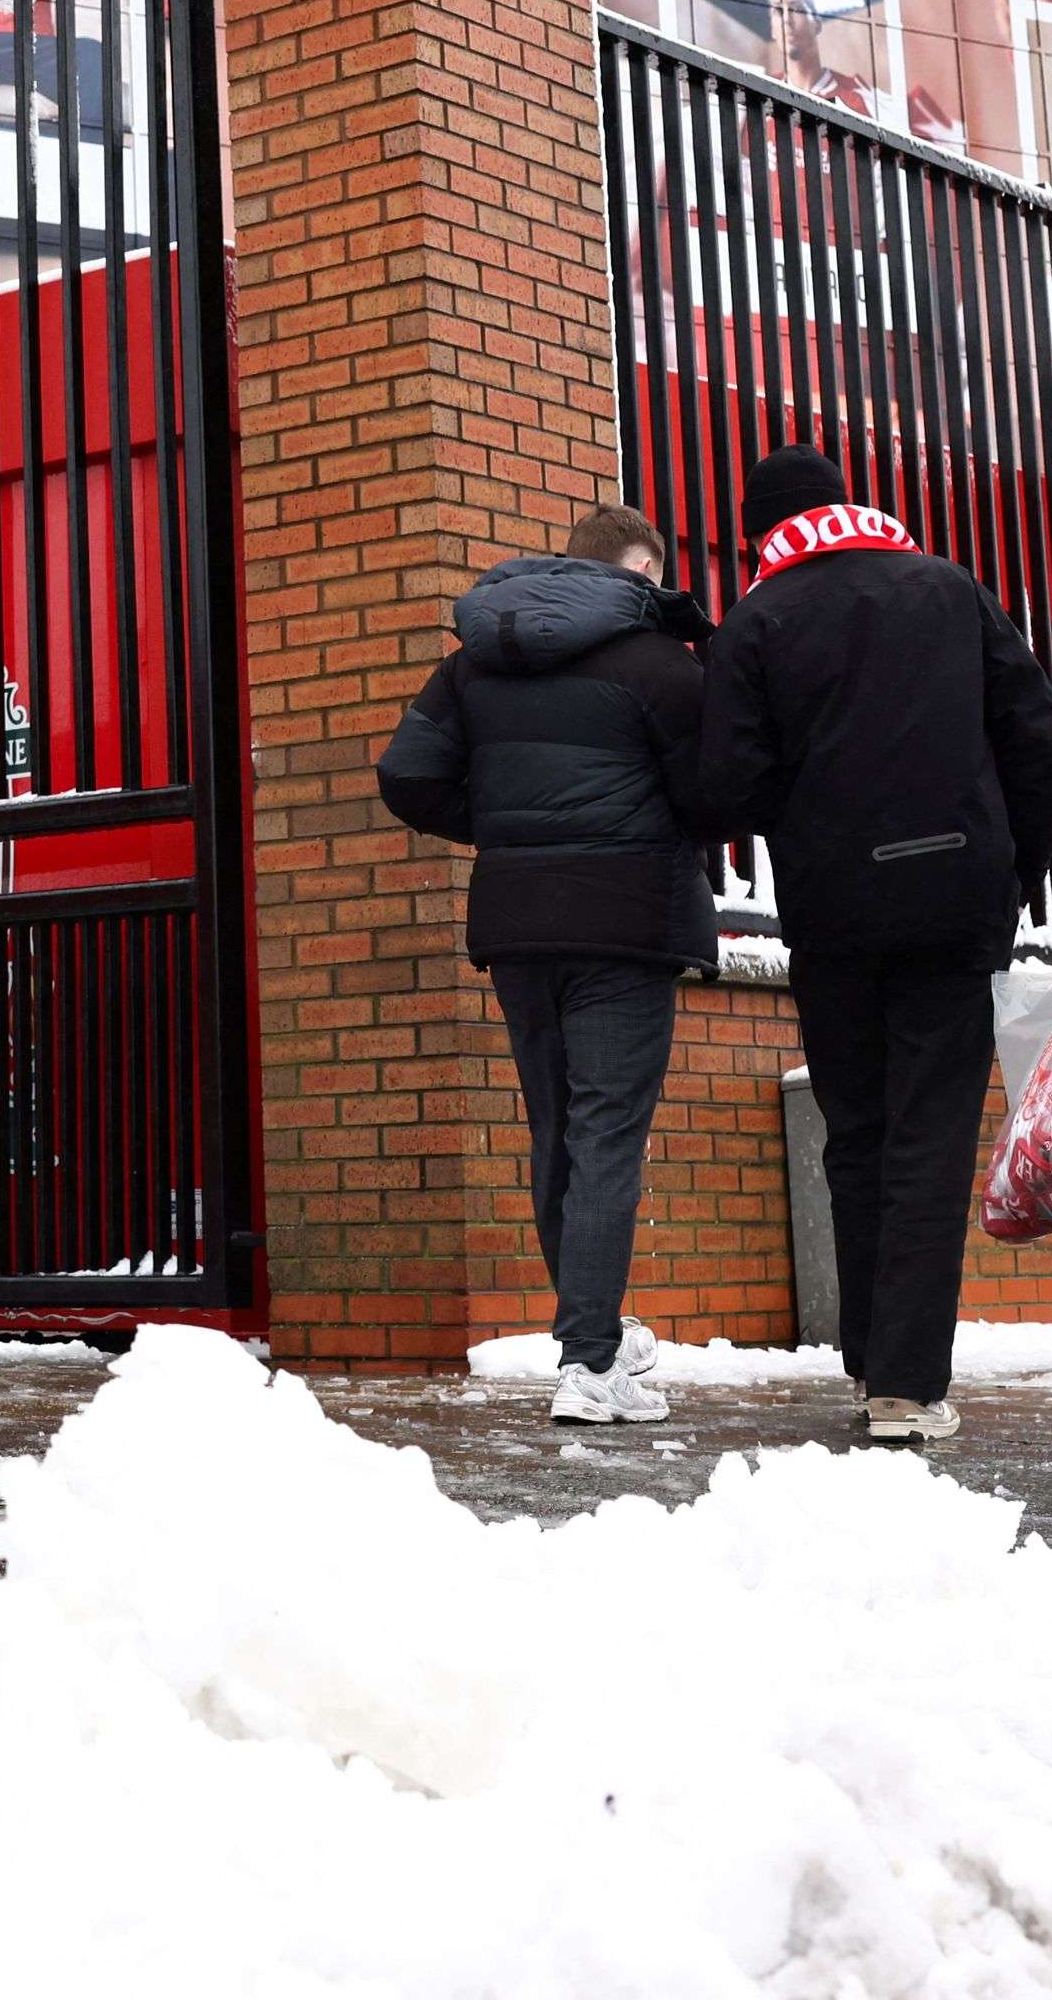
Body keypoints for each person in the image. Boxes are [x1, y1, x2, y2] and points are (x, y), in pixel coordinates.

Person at [695, 444, 1052, 1445]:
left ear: (766, 531)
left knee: (853, 1130)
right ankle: (902, 1380)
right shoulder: (948, 588)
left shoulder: (756, 619)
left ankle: (869, 1358)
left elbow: (723, 786)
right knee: (928, 1135)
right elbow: (1032, 736)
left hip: (833, 906)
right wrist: (1012, 874)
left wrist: (807, 821)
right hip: (955, 896)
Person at [376, 499, 715, 1430]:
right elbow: (711, 791)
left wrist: (511, 835)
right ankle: (591, 1363)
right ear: (633, 573)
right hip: (626, 920)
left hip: (519, 922)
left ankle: (590, 1330)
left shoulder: (473, 663)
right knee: (607, 1135)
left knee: (557, 1129)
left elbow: (405, 775)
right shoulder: (658, 664)